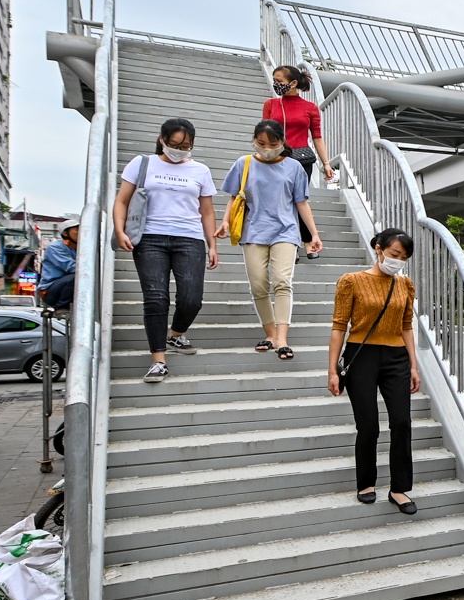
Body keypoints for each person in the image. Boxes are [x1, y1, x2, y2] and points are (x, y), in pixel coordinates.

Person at [114, 118, 219, 384]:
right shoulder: (142, 164)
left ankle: (176, 334)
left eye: (185, 145)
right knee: (156, 298)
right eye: (173, 144)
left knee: (192, 298)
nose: (178, 149)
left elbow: (206, 211)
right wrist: (120, 231)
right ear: (162, 139)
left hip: (190, 239)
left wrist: (212, 245)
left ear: (192, 144)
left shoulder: (200, 170)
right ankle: (158, 360)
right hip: (150, 239)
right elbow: (122, 201)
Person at [329, 228, 421, 513]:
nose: (398, 260)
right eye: (394, 254)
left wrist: (414, 365)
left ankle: (399, 489)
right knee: (368, 426)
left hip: (396, 359)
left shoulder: (405, 285)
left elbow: (407, 326)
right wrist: (332, 369)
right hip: (361, 355)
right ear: (379, 249)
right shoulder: (352, 281)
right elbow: (339, 326)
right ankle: (366, 483)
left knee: (402, 423)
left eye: (403, 257)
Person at [220, 120, 325, 360]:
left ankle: (281, 338)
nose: (266, 148)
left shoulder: (295, 167)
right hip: (253, 231)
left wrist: (314, 235)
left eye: (273, 143)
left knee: (281, 282)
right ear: (254, 140)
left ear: (283, 141)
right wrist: (225, 221)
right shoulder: (244, 163)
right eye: (260, 143)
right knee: (258, 284)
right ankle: (269, 333)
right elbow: (235, 197)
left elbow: (301, 203)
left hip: (286, 231)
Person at [264, 65, 337, 258]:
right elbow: (263, 133)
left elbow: (317, 137)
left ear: (293, 83)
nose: (276, 84)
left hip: (302, 160)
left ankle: (307, 241)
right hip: (276, 159)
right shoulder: (271, 104)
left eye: (279, 81)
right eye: (275, 80)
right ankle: (291, 244)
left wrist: (326, 163)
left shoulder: (310, 108)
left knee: (299, 200)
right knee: (281, 202)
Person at [36, 218, 80, 310]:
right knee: (77, 276)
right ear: (65, 233)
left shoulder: (77, 248)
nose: (80, 233)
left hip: (65, 287)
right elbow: (72, 267)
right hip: (50, 291)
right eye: (76, 230)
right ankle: (61, 307)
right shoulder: (55, 248)